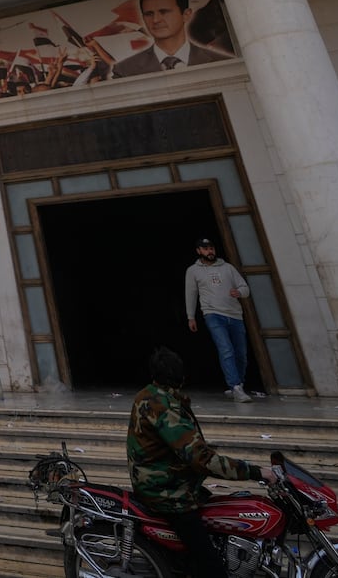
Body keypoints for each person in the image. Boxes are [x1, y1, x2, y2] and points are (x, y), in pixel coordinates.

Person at [128, 347, 280, 578]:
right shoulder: (164, 407)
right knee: (212, 567)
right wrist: (257, 472)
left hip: (173, 484)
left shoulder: (147, 394)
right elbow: (201, 459)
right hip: (167, 494)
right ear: (181, 377)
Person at [185, 237, 253, 402]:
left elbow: (245, 288)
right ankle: (235, 386)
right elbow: (191, 294)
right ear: (199, 251)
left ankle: (238, 384)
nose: (210, 251)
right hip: (213, 314)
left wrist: (239, 293)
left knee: (241, 353)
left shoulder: (228, 268)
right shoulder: (193, 271)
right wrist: (191, 317)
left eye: (211, 248)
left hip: (235, 314)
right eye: (205, 249)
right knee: (226, 349)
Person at [111, 0, 229, 78]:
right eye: (149, 14)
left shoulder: (223, 63)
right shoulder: (124, 70)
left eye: (164, 12)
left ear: (186, 15)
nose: (156, 20)